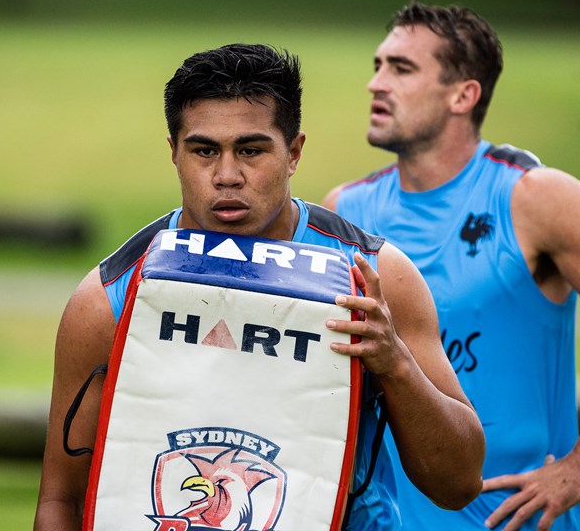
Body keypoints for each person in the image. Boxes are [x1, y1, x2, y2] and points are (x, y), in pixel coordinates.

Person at [33, 43, 485, 530]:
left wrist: (394, 362)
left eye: (251, 150)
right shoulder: (111, 298)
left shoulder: (374, 277)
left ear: (293, 153)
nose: (227, 176)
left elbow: (457, 484)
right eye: (204, 151)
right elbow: (60, 501)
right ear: (173, 153)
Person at [324, 0, 580, 531]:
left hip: (508, 521)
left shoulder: (533, 198)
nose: (377, 84)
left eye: (401, 69)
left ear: (463, 95)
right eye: (378, 66)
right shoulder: (344, 212)